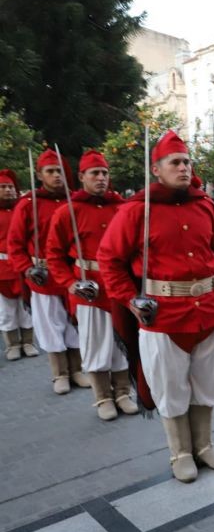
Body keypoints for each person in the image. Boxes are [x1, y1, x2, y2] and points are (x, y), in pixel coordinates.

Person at [99, 130, 214, 483]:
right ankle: (181, 452)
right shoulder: (135, 211)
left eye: (187, 161)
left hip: (208, 310)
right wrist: (130, 299)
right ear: (156, 169)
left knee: (207, 384)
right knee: (170, 387)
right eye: (175, 162)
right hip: (163, 315)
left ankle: (204, 446)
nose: (184, 167)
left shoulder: (205, 205)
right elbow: (109, 259)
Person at [46, 150, 138, 421]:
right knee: (95, 344)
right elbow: (54, 255)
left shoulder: (123, 208)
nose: (100, 178)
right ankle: (102, 397)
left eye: (104, 173)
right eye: (94, 174)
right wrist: (71, 284)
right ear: (82, 177)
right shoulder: (67, 213)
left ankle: (122, 391)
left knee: (121, 341)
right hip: (89, 289)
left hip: (119, 287)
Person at [7, 149, 85, 393]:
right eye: (50, 171)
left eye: (60, 171)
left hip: (73, 275)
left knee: (75, 322)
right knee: (50, 324)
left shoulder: (76, 201)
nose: (56, 176)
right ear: (40, 175)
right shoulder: (28, 204)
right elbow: (15, 244)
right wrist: (28, 269)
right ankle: (59, 373)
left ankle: (77, 369)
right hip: (44, 275)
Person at [0, 169, 39, 361]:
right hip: (2, 269)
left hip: (22, 265)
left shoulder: (22, 209)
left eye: (10, 187)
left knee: (25, 307)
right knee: (6, 310)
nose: (8, 190)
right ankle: (12, 345)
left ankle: (28, 342)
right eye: (3, 187)